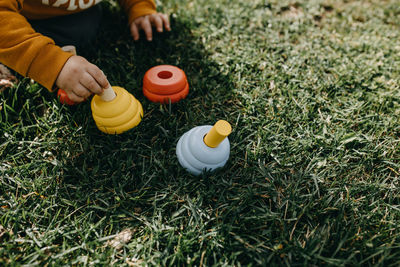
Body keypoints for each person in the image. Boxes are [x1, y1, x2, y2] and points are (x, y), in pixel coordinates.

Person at [0, 0, 170, 102]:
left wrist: (140, 8)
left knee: (83, 29)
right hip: (15, 16)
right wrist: (52, 63)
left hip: (71, 14)